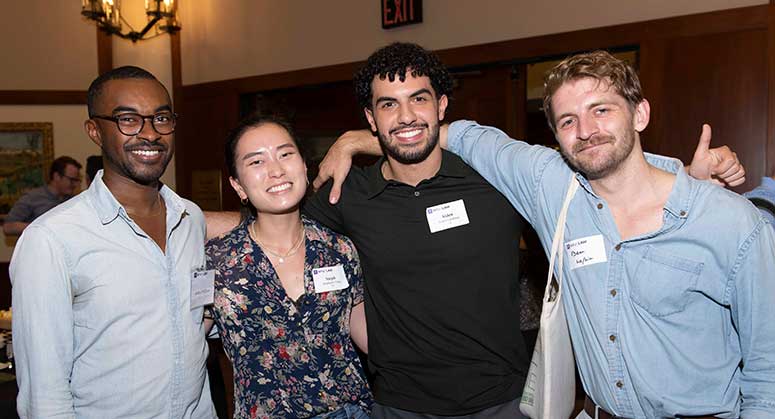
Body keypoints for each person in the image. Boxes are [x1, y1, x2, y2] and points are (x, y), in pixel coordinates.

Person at [434, 51, 774, 418]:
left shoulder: (730, 221)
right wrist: (363, 141)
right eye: (568, 120)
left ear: (640, 114)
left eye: (601, 110)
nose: (585, 131)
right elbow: (460, 136)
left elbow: (768, 370)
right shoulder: (550, 186)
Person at [10, 66, 216, 418]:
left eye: (161, 118)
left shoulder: (190, 219)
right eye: (128, 120)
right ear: (95, 131)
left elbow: (193, 317)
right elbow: (44, 396)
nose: (149, 134)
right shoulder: (52, 239)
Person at [205, 114, 371, 418]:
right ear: (238, 186)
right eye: (256, 162)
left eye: (285, 154)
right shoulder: (216, 262)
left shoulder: (338, 249)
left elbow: (371, 337)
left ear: (305, 168)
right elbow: (184, 344)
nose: (276, 170)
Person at [3, 156, 82, 236]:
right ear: (57, 176)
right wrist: (42, 227)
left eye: (77, 180)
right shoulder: (32, 197)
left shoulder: (73, 201)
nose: (75, 184)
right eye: (72, 180)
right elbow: (8, 227)